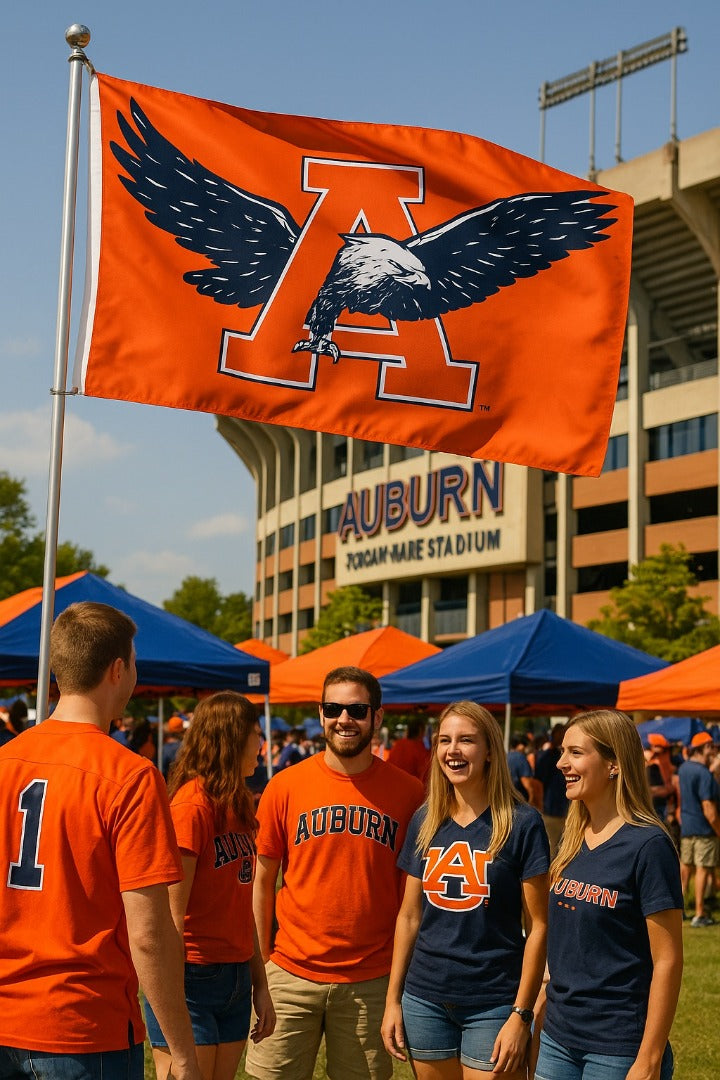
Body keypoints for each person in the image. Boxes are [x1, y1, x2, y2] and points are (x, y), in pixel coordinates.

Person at [0, 601, 200, 1080]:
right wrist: (182, 1049)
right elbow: (149, 934)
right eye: (134, 663)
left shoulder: (6, 760)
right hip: (84, 1028)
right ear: (117, 669)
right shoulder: (130, 776)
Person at [245, 665, 424, 1080]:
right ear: (322, 713)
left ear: (377, 717)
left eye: (357, 710)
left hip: (371, 980)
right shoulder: (285, 786)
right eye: (334, 708)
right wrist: (264, 964)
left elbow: (410, 900)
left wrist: (397, 984)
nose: (345, 719)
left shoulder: (410, 793)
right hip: (290, 973)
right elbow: (262, 880)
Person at [382, 702, 549, 1079]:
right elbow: (409, 917)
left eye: (466, 741)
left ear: (489, 750)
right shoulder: (425, 819)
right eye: (444, 740)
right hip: (425, 998)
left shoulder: (523, 824)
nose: (452, 750)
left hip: (494, 1001)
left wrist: (521, 1015)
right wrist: (393, 1000)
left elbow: (539, 926)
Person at [534, 710, 683, 1080]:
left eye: (575, 753)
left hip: (618, 1045)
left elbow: (668, 961)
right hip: (557, 1037)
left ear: (614, 764)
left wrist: (649, 1058)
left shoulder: (649, 845)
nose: (561, 762)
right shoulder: (571, 838)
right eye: (563, 751)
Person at [144, 691, 275, 1080]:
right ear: (232, 738)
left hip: (234, 975)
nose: (262, 744)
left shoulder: (235, 805)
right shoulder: (191, 808)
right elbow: (168, 914)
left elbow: (240, 906)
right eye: (256, 733)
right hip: (191, 979)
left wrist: (260, 985)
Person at [677, 730, 720, 927]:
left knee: (685, 867)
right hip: (704, 830)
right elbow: (709, 809)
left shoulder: (684, 769)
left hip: (687, 827)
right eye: (711, 746)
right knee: (703, 869)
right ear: (705, 748)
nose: (713, 751)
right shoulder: (703, 773)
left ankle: (680, 909)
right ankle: (700, 913)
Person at [534, 723, 568, 857]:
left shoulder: (567, 756)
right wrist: (539, 804)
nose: (561, 737)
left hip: (568, 813)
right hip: (551, 812)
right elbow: (537, 782)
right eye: (559, 734)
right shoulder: (547, 757)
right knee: (552, 850)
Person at [387, 717, 431, 783]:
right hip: (412, 788)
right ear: (420, 731)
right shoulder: (419, 748)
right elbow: (425, 773)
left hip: (393, 784)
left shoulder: (398, 744)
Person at [507, 733, 534, 801]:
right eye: (525, 745)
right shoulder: (520, 758)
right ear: (520, 745)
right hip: (519, 801)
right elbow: (527, 783)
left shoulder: (506, 756)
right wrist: (532, 800)